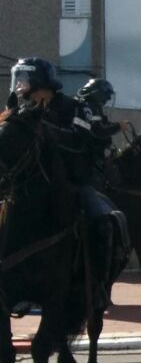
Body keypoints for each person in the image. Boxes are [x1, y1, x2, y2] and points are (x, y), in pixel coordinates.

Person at [6, 59, 123, 308]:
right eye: (17, 79)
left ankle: (98, 284)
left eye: (23, 79)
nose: (18, 85)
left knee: (102, 219)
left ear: (39, 81)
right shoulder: (19, 110)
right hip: (30, 183)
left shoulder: (73, 107)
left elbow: (83, 141)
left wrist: (44, 130)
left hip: (72, 181)